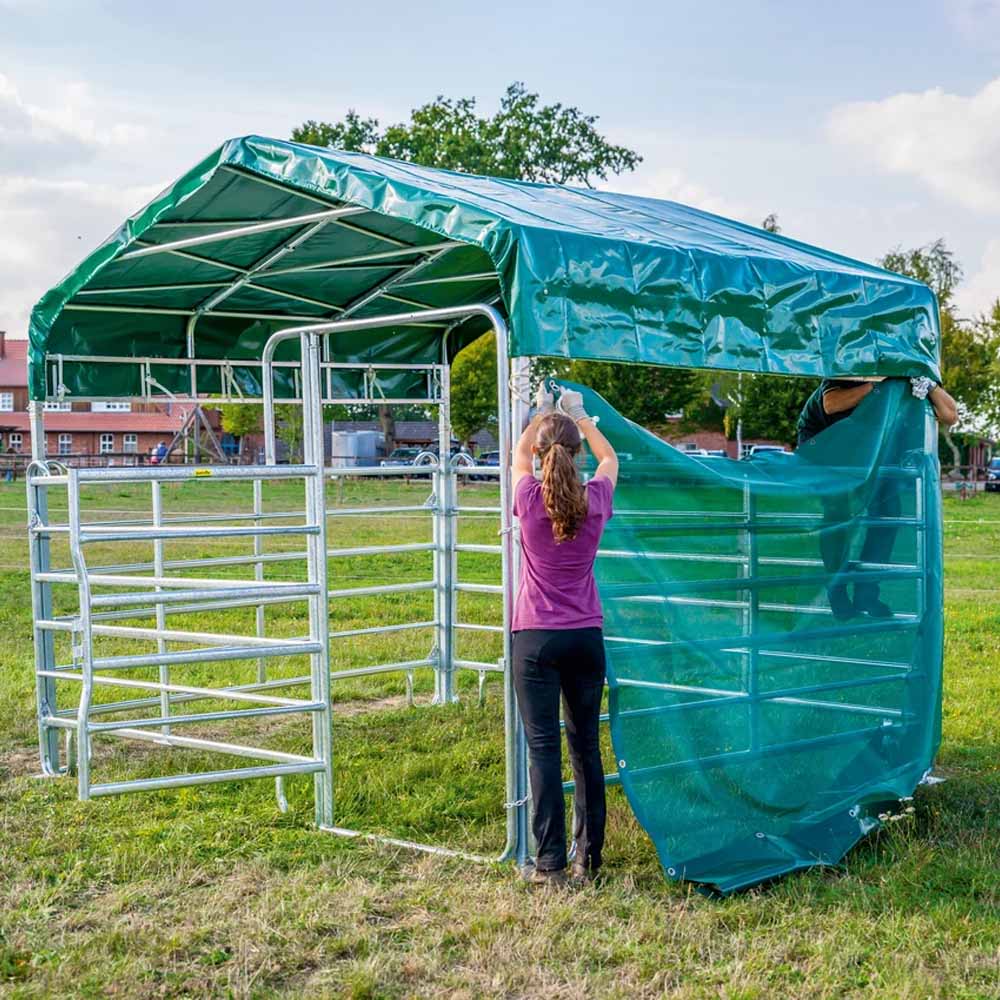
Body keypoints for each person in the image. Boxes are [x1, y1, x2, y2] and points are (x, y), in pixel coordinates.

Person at [511, 383, 619, 887]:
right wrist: (579, 415)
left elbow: (517, 454)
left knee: (542, 749)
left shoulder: (529, 501)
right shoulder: (595, 500)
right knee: (585, 749)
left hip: (535, 637)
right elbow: (610, 459)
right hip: (585, 637)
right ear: (575, 455)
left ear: (541, 455)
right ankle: (588, 859)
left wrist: (540, 411)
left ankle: (549, 864)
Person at [797, 376, 957, 620]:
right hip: (824, 445)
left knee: (889, 511)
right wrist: (877, 387)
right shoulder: (854, 363)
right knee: (837, 511)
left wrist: (930, 386)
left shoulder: (912, 374)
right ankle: (836, 589)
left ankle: (867, 592)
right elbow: (831, 403)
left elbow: (950, 415)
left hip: (869, 450)